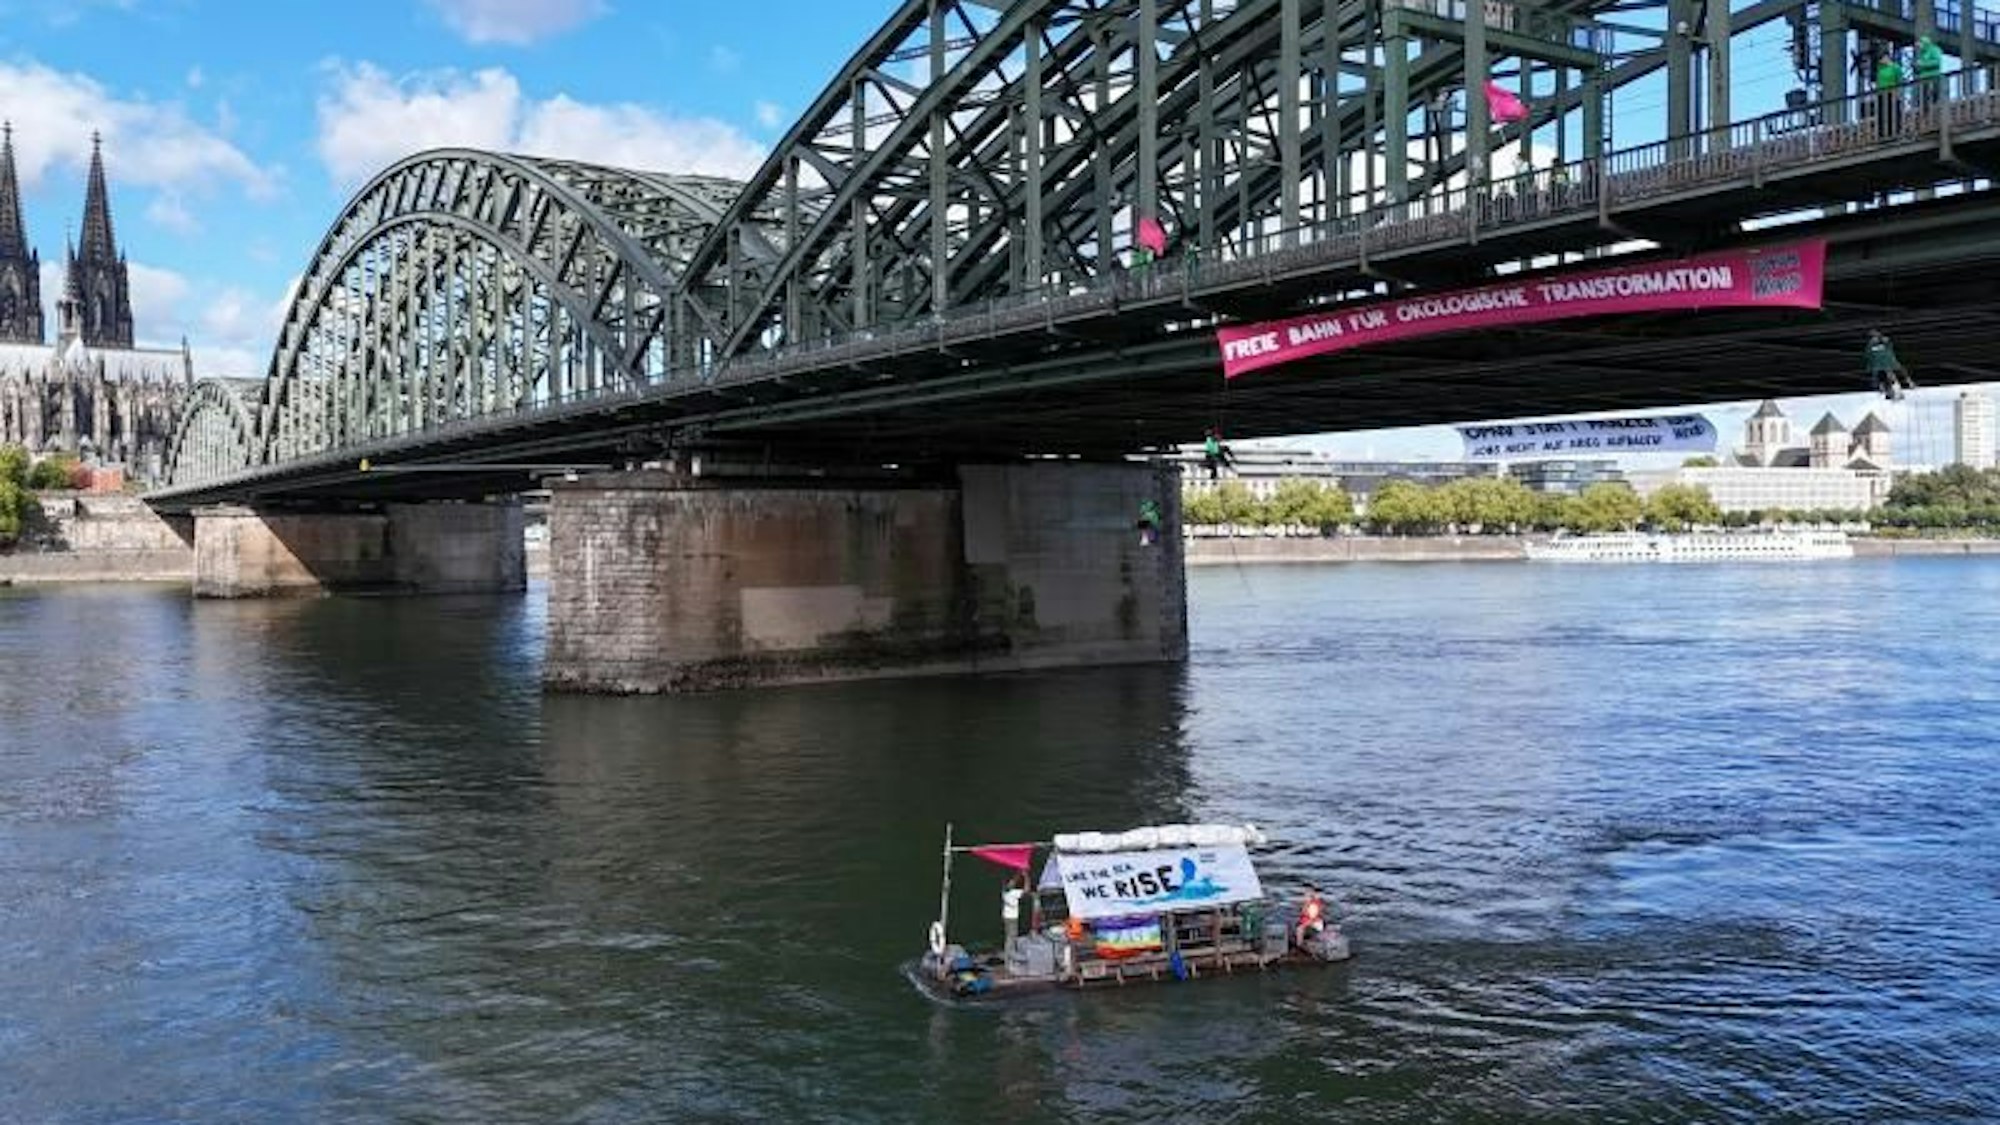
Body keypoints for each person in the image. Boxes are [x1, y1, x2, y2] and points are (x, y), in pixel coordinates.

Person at [1865, 330, 1915, 399]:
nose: (1874, 339)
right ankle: (1887, 390)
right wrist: (1871, 367)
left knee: (1898, 373)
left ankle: (1908, 383)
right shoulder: (1870, 346)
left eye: (1875, 337)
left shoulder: (1885, 342)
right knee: (1882, 378)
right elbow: (1869, 357)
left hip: (1890, 363)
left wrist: (1909, 381)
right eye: (1873, 338)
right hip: (1880, 366)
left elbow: (1888, 342)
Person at [1001, 873, 1027, 957]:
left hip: (1006, 916)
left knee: (1009, 937)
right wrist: (1026, 877)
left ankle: (1008, 956)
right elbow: (1026, 890)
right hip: (1012, 918)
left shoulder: (1005, 892)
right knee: (1011, 938)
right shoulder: (1014, 893)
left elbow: (1014, 881)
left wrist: (1019, 873)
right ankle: (1009, 957)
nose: (1013, 883)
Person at [1916, 35, 1945, 109]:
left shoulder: (1934, 49)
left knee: (1933, 96)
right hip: (1923, 79)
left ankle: (1933, 109)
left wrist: (1923, 64)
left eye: (1920, 44)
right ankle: (1924, 111)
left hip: (1933, 77)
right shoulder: (1922, 53)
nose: (1919, 47)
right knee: (1922, 98)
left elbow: (1937, 62)